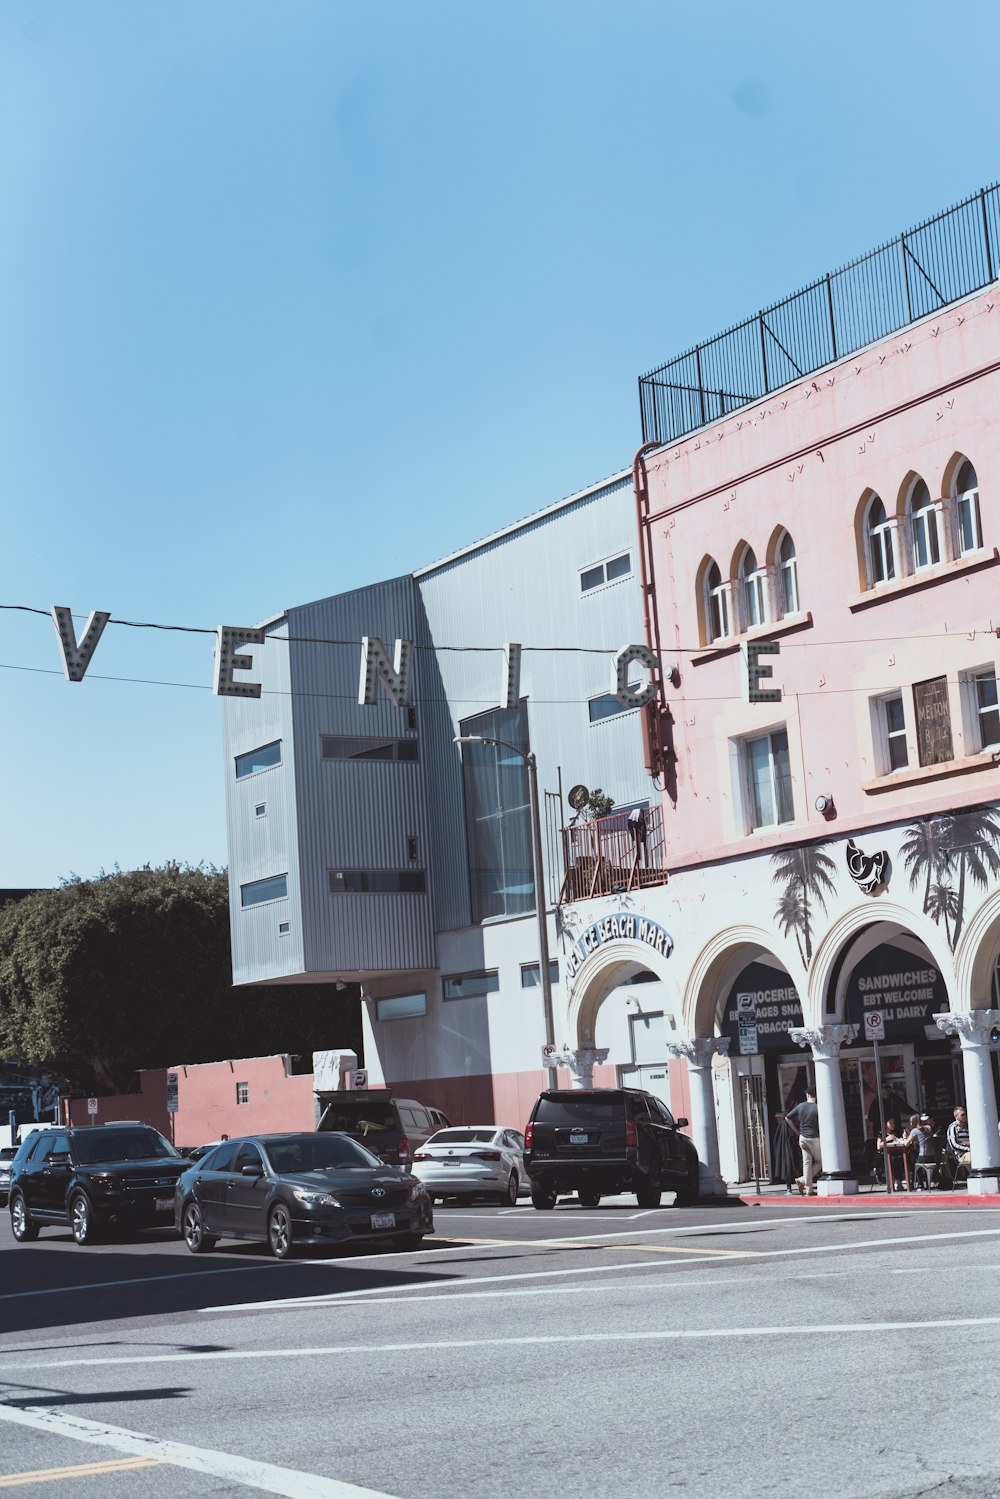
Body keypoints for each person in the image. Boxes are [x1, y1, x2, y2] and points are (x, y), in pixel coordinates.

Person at [783, 1086, 820, 1196]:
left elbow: (787, 1118)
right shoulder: (818, 1107)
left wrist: (797, 1131)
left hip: (802, 1137)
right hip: (814, 1137)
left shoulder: (800, 1106)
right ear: (816, 1096)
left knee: (807, 1163)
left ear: (807, 1095)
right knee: (820, 1161)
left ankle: (809, 1188)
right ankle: (803, 1181)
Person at [877, 1117, 909, 1188]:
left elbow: (900, 1141)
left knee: (902, 1159)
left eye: (893, 1123)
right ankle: (895, 1180)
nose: (893, 1125)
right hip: (886, 1154)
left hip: (896, 1153)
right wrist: (887, 1139)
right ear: (886, 1124)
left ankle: (899, 1179)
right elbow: (878, 1146)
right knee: (894, 1161)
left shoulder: (896, 1133)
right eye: (890, 1123)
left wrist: (904, 1137)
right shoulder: (881, 1133)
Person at [946, 1106, 971, 1174]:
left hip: (970, 1152)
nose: (965, 1116)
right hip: (961, 1155)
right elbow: (953, 1145)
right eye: (962, 1115)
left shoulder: (968, 1126)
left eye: (965, 1114)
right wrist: (968, 1149)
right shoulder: (953, 1128)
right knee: (973, 1157)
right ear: (956, 1116)